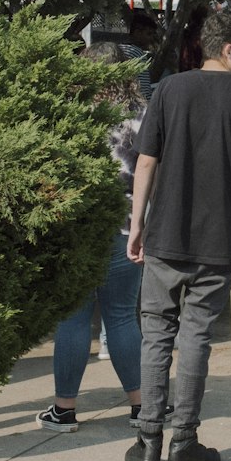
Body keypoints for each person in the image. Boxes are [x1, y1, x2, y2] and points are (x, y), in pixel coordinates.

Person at [125, 11, 231, 461]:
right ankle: (184, 445)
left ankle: (148, 441)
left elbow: (146, 162)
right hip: (215, 242)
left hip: (165, 235)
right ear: (228, 49)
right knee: (195, 336)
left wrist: (137, 224)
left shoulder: (170, 89)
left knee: (156, 333)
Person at [37, 44, 148, 433]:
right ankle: (141, 408)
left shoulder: (70, 114)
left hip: (78, 229)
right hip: (126, 229)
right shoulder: (144, 117)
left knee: (72, 317)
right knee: (121, 317)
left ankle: (64, 411)